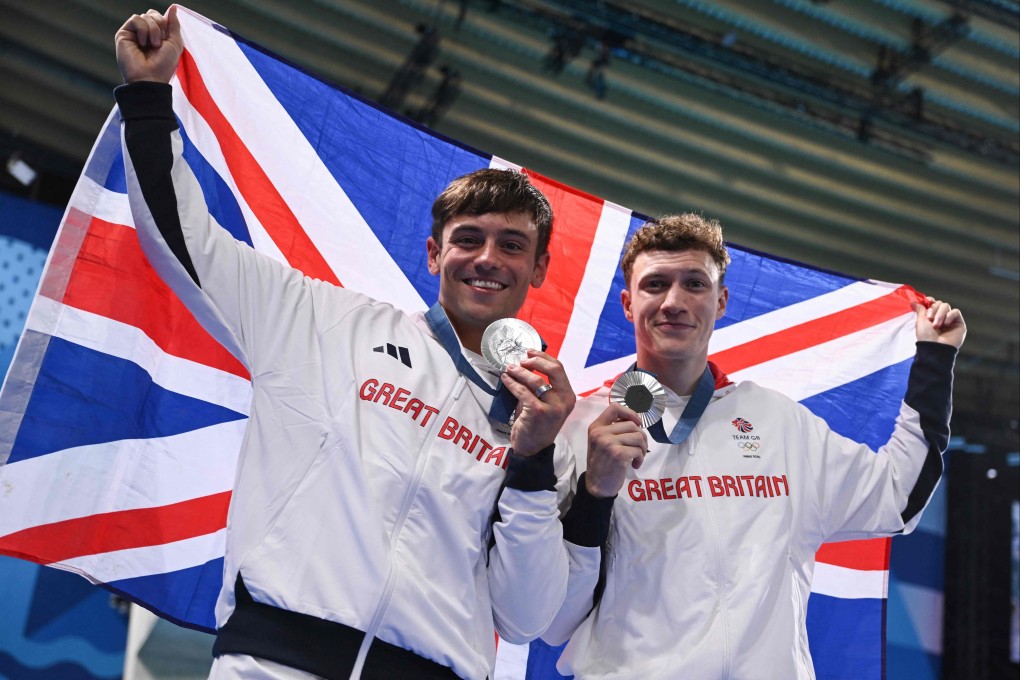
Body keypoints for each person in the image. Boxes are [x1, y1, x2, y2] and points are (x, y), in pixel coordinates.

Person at [114, 7, 575, 680]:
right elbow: (190, 245)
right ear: (432, 254)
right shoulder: (322, 322)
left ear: (536, 270)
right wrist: (150, 98)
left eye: (512, 245)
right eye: (468, 239)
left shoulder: (540, 421)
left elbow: (526, 615)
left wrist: (533, 463)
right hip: (274, 662)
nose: (487, 259)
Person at [544, 213, 966, 679]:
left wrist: (935, 360)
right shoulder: (582, 427)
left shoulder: (777, 421)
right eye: (655, 284)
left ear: (721, 301)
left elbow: (897, 499)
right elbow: (552, 618)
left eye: (695, 284)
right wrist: (593, 493)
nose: (674, 301)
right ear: (628, 303)